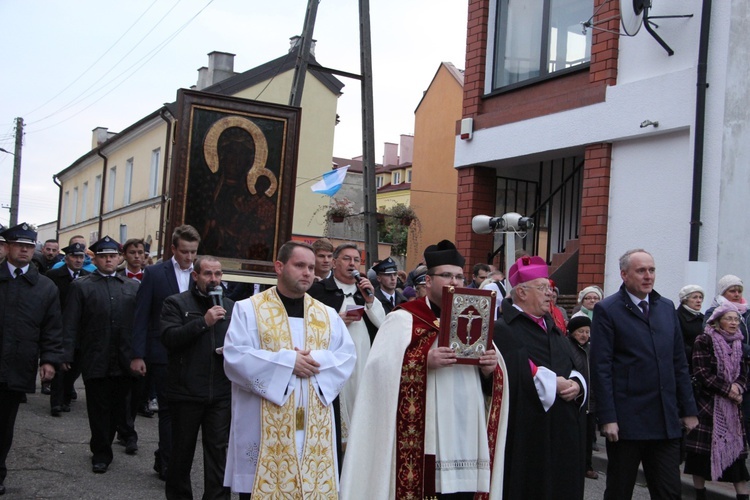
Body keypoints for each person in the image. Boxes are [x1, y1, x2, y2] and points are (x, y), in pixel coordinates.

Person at [340, 240, 506, 499]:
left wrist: (490, 369)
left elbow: (494, 379)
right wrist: (422, 361)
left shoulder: (475, 319)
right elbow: (379, 371)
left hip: (466, 431)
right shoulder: (404, 318)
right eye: (447, 275)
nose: (456, 281)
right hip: (426, 434)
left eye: (460, 276)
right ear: (428, 281)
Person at [222, 241, 356, 498]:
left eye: (311, 267)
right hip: (263, 422)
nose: (308, 272)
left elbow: (347, 357)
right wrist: (288, 362)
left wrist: (312, 361)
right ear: (279, 266)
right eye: (300, 266)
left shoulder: (328, 315)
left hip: (313, 419)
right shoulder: (248, 309)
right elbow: (234, 356)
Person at [591, 249, 698, 500]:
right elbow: (601, 367)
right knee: (619, 489)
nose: (648, 276)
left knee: (669, 491)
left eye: (651, 270)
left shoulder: (666, 307)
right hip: (627, 422)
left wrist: (689, 409)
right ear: (624, 275)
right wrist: (608, 417)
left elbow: (679, 363)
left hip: (664, 419)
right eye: (641, 271)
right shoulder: (608, 310)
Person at [494, 255, 587, 499]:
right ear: (522, 293)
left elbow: (572, 362)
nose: (550, 294)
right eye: (543, 288)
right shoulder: (503, 330)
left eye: (550, 288)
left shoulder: (552, 325)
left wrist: (578, 385)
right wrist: (552, 383)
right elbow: (510, 373)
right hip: (530, 431)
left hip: (563, 428)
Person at [64, 236, 140, 472]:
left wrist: (141, 355)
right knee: (98, 407)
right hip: (95, 355)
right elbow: (71, 323)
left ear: (119, 258)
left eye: (113, 255)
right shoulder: (81, 286)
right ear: (94, 259)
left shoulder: (132, 287)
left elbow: (140, 324)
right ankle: (100, 451)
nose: (109, 259)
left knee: (119, 407)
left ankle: (108, 441)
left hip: (124, 357)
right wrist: (65, 354)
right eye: (104, 256)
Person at [161, 255, 233, 500]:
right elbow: (169, 338)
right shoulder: (176, 303)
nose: (214, 280)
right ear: (196, 276)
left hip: (221, 394)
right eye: (208, 274)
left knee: (218, 455)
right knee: (181, 454)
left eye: (218, 274)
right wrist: (203, 322)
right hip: (186, 392)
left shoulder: (232, 307)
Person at [131, 224, 200, 480]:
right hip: (161, 351)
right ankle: (170, 464)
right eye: (184, 251)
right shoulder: (154, 273)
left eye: (193, 252)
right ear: (173, 249)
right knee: (169, 409)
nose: (189, 257)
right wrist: (138, 354)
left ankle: (165, 456)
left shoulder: (201, 272)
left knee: (186, 411)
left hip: (193, 352)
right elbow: (141, 315)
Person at [0, 223, 63, 496]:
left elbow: (52, 328)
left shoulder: (45, 287)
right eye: (19, 245)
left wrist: (48, 360)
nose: (24, 250)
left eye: (29, 246)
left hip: (17, 365)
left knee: (4, 426)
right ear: (8, 247)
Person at [308, 243, 385, 445]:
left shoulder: (366, 291)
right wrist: (335, 321)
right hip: (331, 361)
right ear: (334, 263)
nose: (352, 263)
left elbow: (383, 324)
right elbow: (308, 326)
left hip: (362, 359)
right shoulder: (318, 291)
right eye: (346, 259)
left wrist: (370, 300)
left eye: (356, 260)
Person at [684, 302, 750, 500]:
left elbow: (745, 373)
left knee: (737, 456)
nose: (733, 322)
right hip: (708, 405)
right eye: (729, 318)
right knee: (700, 457)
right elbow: (702, 373)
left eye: (736, 319)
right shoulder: (704, 340)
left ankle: (743, 497)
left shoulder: (741, 344)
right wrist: (729, 390)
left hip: (732, 408)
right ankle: (700, 495)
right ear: (718, 321)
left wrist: (738, 387)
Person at [46, 242, 90, 416]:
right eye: (74, 256)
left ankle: (65, 396)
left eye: (81, 257)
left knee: (75, 366)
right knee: (59, 366)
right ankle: (56, 403)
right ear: (66, 258)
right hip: (59, 326)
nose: (78, 260)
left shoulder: (88, 277)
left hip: (80, 329)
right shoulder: (54, 276)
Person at [567, 314, 598, 480]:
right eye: (580, 331)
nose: (584, 335)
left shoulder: (592, 349)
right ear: (572, 332)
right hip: (575, 400)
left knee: (588, 437)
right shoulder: (567, 347)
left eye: (587, 331)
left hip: (591, 401)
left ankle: (587, 466)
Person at [677, 284, 705, 374]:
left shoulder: (703, 318)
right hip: (686, 364)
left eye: (700, 297)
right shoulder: (676, 316)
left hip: (702, 364)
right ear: (685, 300)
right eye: (695, 297)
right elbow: (679, 341)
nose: (698, 300)